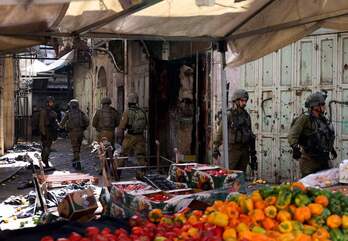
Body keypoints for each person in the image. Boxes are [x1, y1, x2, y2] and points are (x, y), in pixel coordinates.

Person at [288, 91, 336, 177]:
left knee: (326, 184)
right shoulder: (305, 118)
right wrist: (295, 147)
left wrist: (331, 149)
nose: (324, 106)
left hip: (324, 159)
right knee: (309, 186)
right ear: (315, 106)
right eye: (322, 104)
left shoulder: (322, 119)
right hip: (309, 160)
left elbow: (325, 135)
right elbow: (293, 134)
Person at [213, 89, 257, 173]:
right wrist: (216, 146)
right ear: (236, 101)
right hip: (233, 150)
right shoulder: (229, 115)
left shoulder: (246, 116)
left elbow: (250, 134)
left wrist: (253, 153)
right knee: (229, 173)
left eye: (245, 101)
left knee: (241, 175)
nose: (244, 103)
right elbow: (221, 132)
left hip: (244, 149)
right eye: (242, 100)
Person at [117, 93, 147, 179]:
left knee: (123, 154)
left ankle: (117, 173)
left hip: (130, 136)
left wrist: (120, 138)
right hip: (140, 136)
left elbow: (122, 126)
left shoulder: (127, 112)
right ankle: (143, 174)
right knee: (141, 155)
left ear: (129, 101)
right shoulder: (142, 111)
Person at [59, 99, 89, 170]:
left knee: (75, 148)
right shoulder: (81, 113)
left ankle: (77, 163)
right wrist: (83, 128)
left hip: (72, 133)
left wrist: (61, 127)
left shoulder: (68, 113)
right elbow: (87, 121)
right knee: (78, 147)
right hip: (80, 132)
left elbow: (61, 124)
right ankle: (75, 160)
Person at [39, 96, 59, 168]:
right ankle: (45, 162)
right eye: (50, 102)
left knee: (48, 147)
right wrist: (43, 133)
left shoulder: (52, 111)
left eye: (52, 102)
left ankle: (45, 161)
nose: (52, 103)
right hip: (46, 132)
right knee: (46, 147)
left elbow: (55, 121)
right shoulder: (44, 111)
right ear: (47, 103)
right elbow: (41, 123)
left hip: (51, 132)